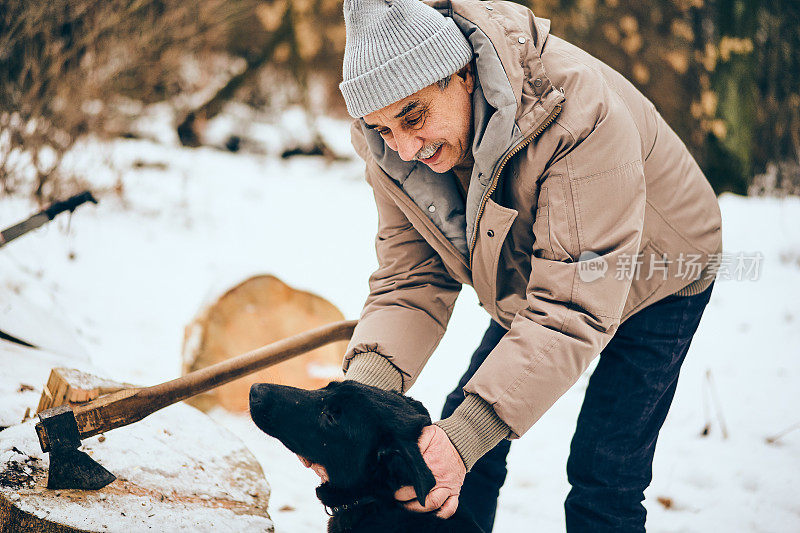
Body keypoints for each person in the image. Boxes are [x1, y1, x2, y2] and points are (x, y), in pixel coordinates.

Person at [301, 0, 723, 531]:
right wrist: (357, 402)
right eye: (382, 128)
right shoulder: (397, 151)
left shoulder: (574, 113)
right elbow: (410, 279)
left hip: (659, 269)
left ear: (465, 73)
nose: (404, 147)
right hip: (544, 266)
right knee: (462, 438)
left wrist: (464, 438)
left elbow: (570, 306)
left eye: (414, 116)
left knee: (603, 473)